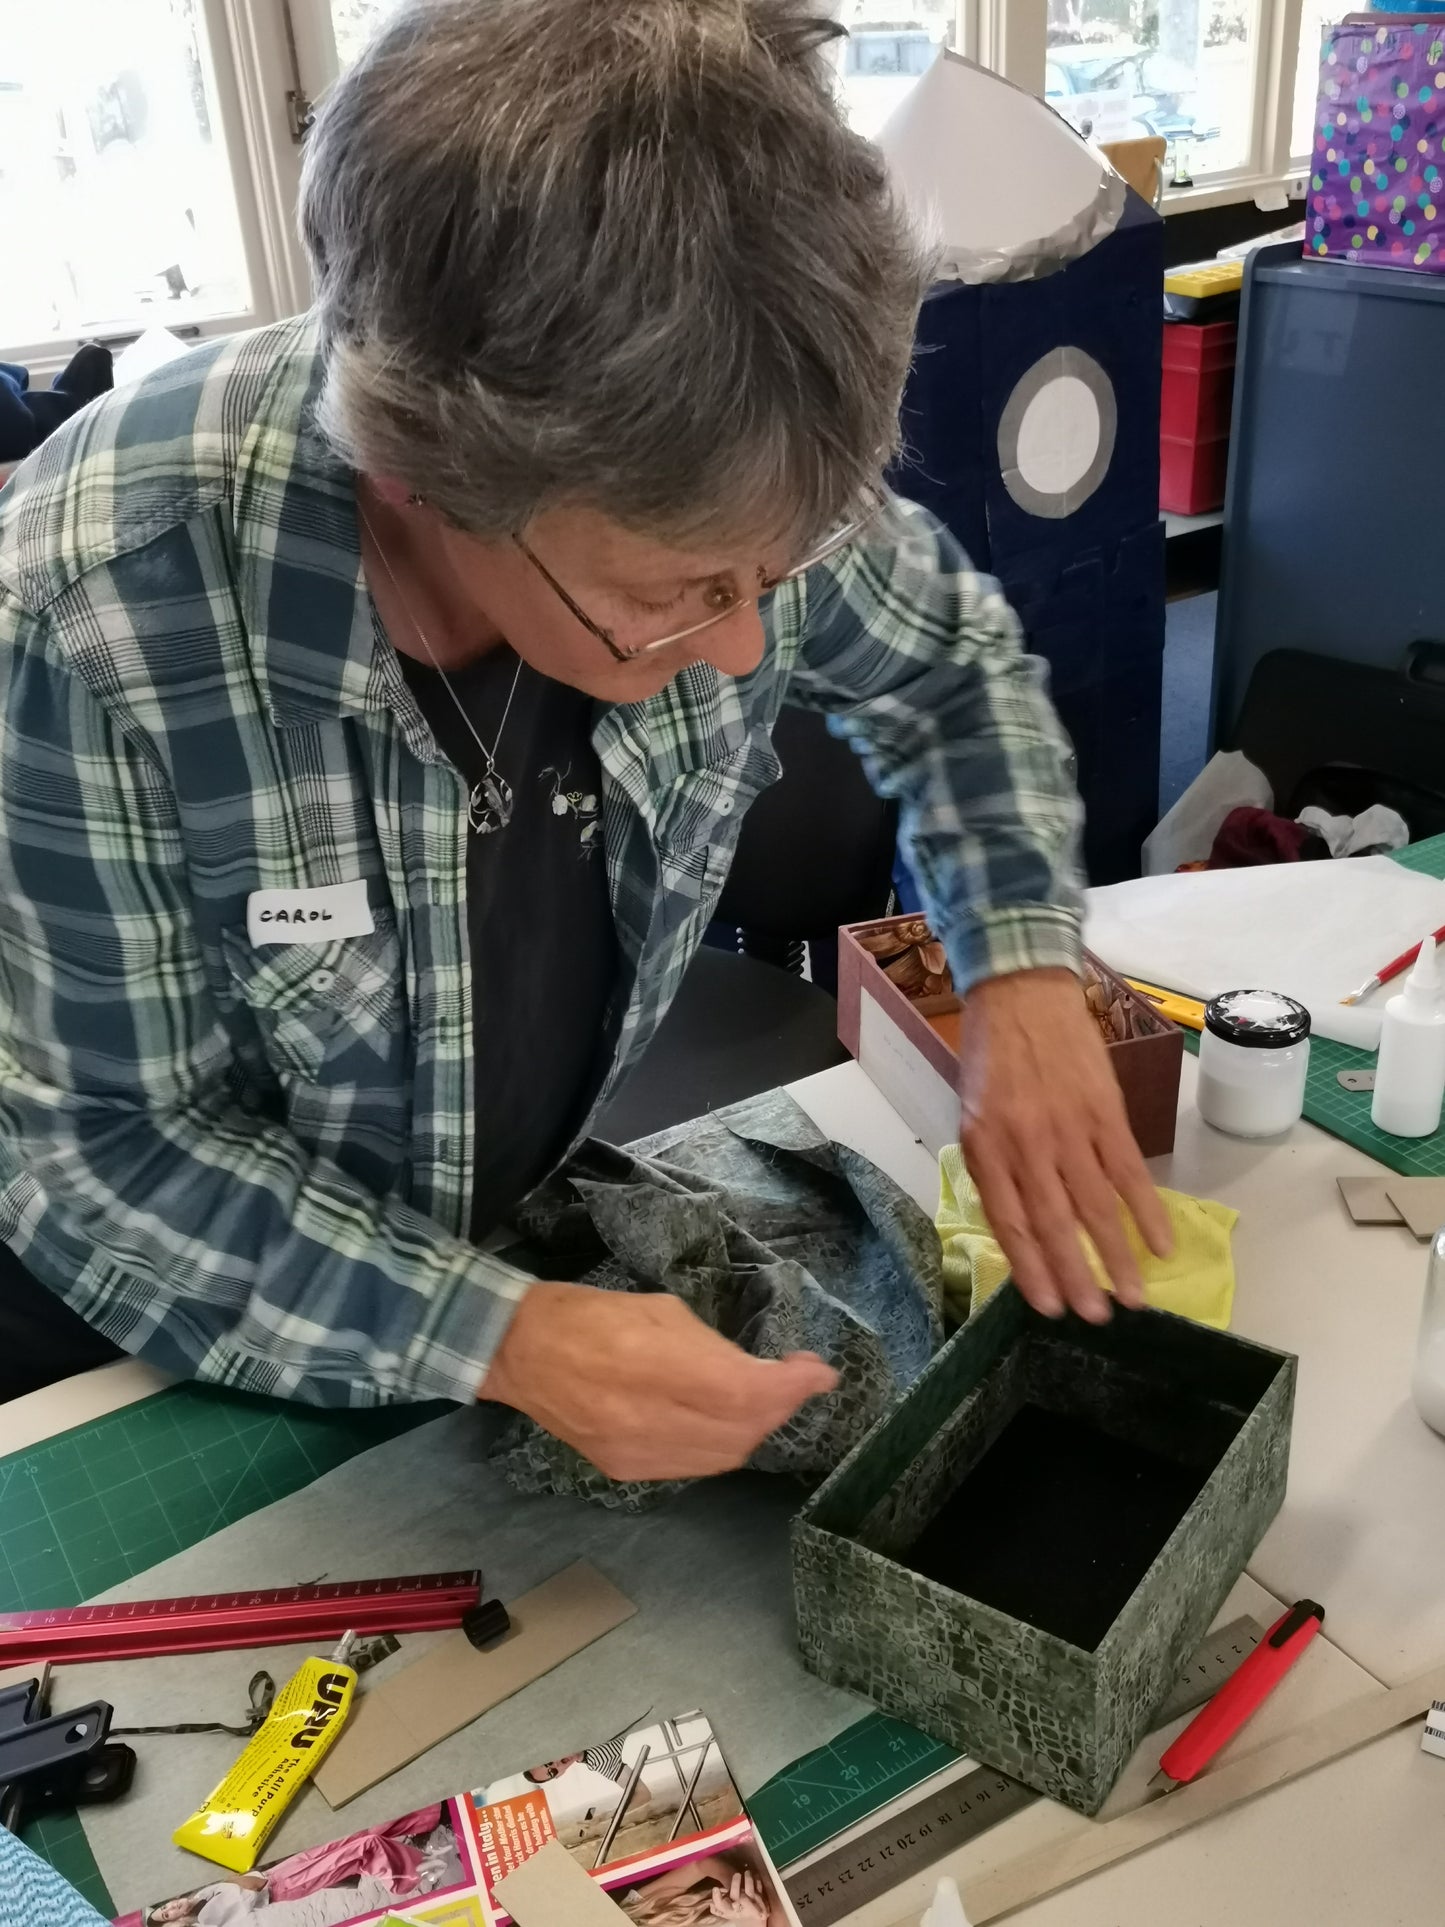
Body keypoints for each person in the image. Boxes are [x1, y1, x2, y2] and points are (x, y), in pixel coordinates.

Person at [0, 0, 1170, 1467]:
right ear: (424, 479)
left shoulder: (716, 462)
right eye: (673, 598)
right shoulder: (95, 618)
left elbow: (954, 664)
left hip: (472, 1232)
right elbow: (104, 1154)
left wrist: (1020, 966)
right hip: (128, 1357)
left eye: (780, 572)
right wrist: (495, 1335)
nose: (747, 646)